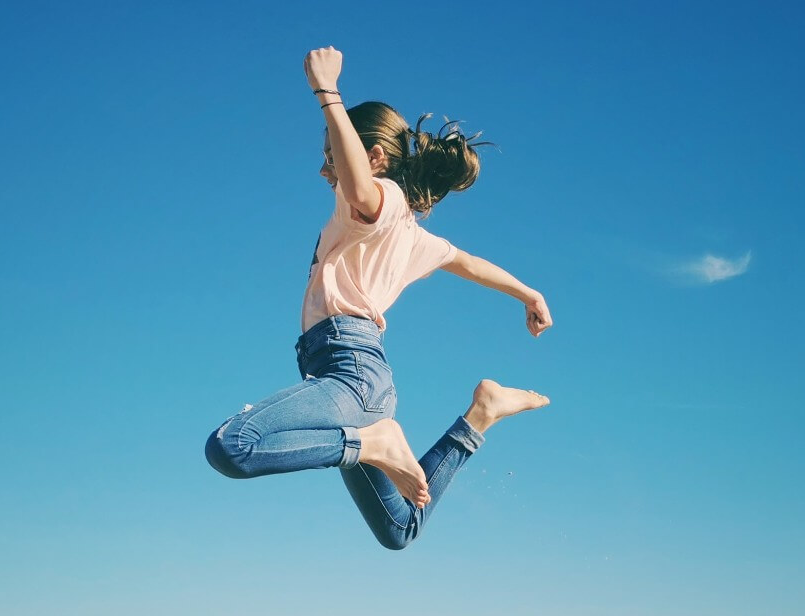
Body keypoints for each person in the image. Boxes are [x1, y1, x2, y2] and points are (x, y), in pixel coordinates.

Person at [204, 46, 554, 550]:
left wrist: (328, 94)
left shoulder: (379, 200)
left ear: (374, 158)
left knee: (232, 447)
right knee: (400, 528)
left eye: (332, 156)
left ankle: (375, 443)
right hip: (353, 377)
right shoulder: (412, 235)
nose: (326, 170)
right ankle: (479, 417)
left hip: (351, 368)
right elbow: (468, 263)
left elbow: (362, 189)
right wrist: (529, 292)